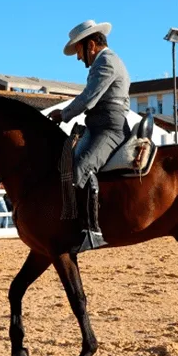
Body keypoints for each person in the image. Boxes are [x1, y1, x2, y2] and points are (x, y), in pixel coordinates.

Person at [48, 20, 131, 252]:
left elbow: (89, 98)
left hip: (108, 128)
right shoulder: (106, 61)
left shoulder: (105, 62)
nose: (78, 58)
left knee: (78, 169)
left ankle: (90, 231)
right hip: (98, 124)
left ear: (91, 45)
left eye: (78, 51)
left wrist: (63, 114)